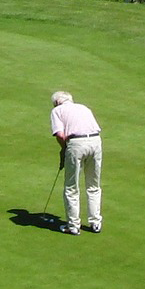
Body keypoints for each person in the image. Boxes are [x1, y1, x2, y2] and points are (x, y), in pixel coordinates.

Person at [49, 91, 104, 234]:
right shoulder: (84, 107)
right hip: (96, 141)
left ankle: (73, 226)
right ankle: (95, 223)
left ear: (56, 103)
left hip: (76, 143)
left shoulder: (57, 111)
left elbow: (60, 135)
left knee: (71, 187)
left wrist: (64, 149)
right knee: (94, 185)